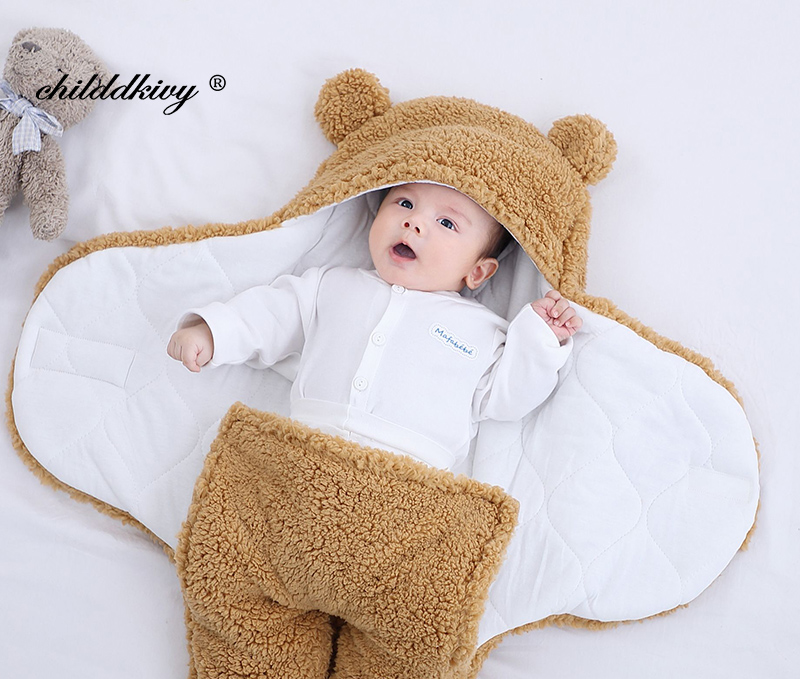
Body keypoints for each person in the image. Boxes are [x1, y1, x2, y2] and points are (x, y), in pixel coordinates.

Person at [167, 182, 582, 470]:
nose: (414, 223)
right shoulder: (331, 286)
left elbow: (509, 397)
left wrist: (539, 338)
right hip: (307, 449)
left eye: (447, 223)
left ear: (478, 272)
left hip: (414, 475)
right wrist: (212, 332)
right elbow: (269, 315)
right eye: (404, 203)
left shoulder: (483, 330)